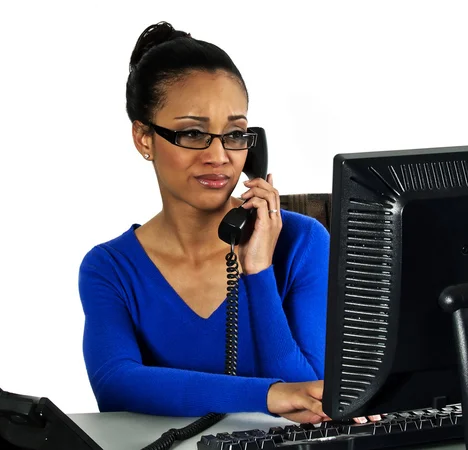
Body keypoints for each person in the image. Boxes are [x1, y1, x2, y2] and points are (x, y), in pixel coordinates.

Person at [78, 21, 380, 425]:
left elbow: (315, 396)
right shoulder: (110, 268)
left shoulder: (304, 242)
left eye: (235, 134)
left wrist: (258, 271)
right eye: (192, 133)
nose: (219, 156)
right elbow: (116, 384)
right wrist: (267, 395)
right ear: (143, 138)